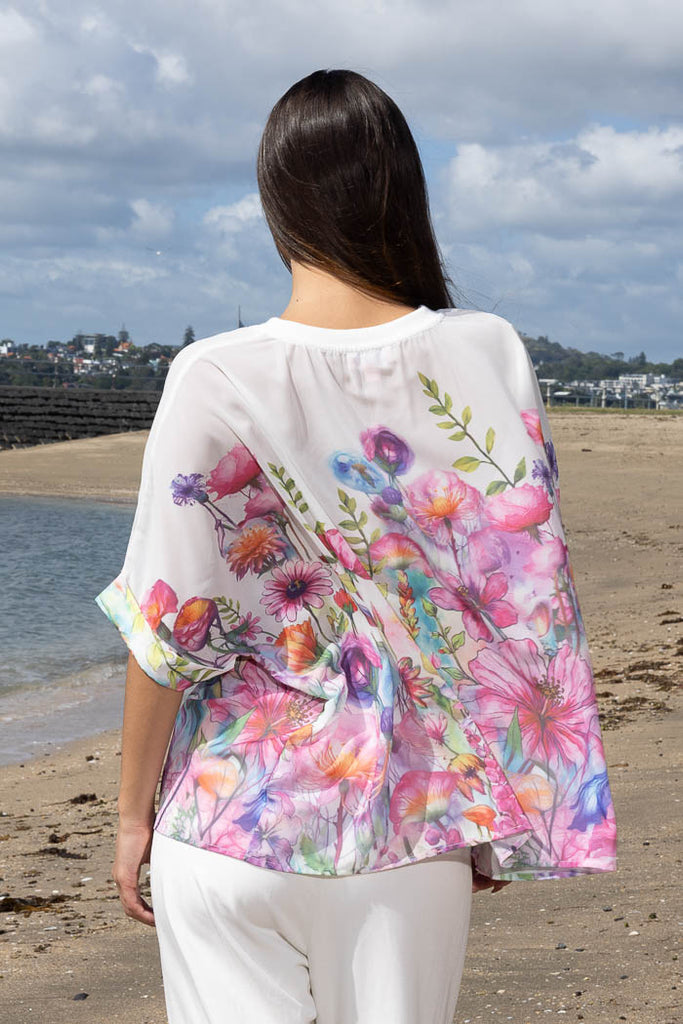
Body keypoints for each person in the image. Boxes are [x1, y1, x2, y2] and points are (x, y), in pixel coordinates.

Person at [95, 69, 617, 1024]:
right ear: (401, 191)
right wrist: (495, 805)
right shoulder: (487, 350)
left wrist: (131, 816)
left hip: (231, 815)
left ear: (275, 201)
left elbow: (170, 625)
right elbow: (522, 609)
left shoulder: (214, 372)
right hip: (412, 827)